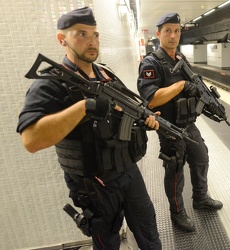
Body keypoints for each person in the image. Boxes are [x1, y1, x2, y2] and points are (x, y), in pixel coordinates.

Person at [16, 7, 162, 250]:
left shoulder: (106, 74)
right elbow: (31, 140)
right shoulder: (52, 83)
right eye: (81, 34)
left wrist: (144, 121)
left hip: (128, 171)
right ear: (62, 39)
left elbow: (124, 113)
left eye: (95, 35)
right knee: (107, 242)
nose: (92, 41)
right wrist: (84, 106)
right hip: (95, 183)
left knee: (148, 229)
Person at [137, 13, 223, 232]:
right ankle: (177, 212)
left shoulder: (180, 59)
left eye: (176, 31)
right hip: (169, 127)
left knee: (201, 158)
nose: (173, 35)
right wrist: (182, 86)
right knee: (175, 170)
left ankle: (200, 198)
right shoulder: (151, 62)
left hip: (188, 123)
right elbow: (151, 98)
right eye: (167, 31)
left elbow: (191, 85)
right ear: (158, 34)